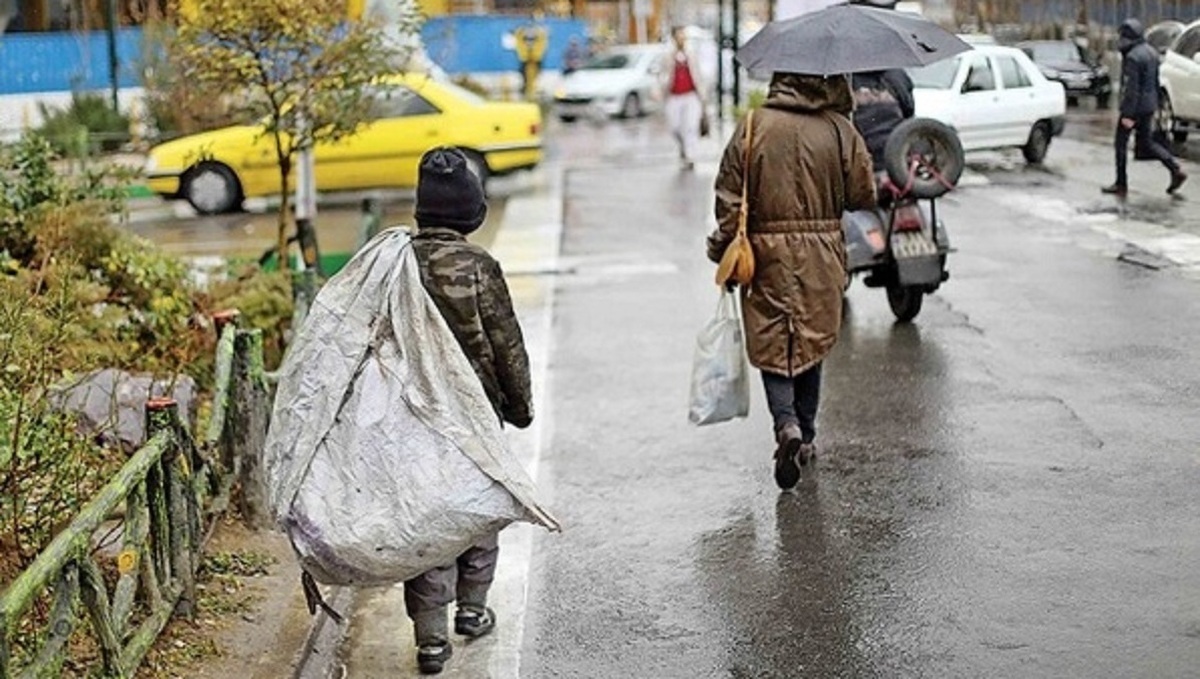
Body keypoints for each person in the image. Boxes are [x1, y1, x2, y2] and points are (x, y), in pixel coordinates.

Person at [708, 73, 876, 490]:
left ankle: (786, 425)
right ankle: (807, 435)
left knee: (774, 341)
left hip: (765, 253)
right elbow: (862, 194)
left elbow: (729, 196)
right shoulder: (838, 128)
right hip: (823, 252)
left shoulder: (753, 125)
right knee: (812, 339)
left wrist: (721, 247)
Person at [404, 147, 534, 675]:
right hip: (474, 416)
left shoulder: (398, 264)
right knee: (478, 510)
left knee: (427, 521)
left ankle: (431, 638)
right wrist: (520, 406)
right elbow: (506, 343)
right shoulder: (479, 267)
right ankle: (473, 610)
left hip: (412, 417)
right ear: (472, 212)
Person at [1102, 18, 1187, 196]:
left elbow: (1131, 88)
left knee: (1121, 145)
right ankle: (1174, 168)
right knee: (1148, 143)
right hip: (1148, 106)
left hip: (1133, 108)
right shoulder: (1151, 53)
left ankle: (1121, 183)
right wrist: (1156, 105)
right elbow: (1155, 82)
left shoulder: (1133, 57)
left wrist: (1128, 114)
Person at [850, 68, 915, 173]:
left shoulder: (842, 79)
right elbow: (909, 110)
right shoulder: (896, 75)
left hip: (860, 155)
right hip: (897, 154)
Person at [663, 26, 707, 171]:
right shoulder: (667, 55)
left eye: (683, 36)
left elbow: (700, 74)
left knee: (690, 127)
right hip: (674, 96)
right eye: (679, 36)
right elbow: (662, 75)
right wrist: (660, 90)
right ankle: (683, 147)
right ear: (674, 38)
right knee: (675, 127)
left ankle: (690, 156)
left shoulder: (692, 54)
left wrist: (703, 95)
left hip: (691, 95)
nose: (682, 39)